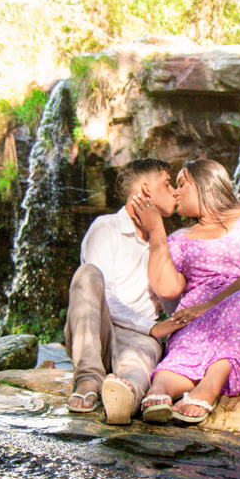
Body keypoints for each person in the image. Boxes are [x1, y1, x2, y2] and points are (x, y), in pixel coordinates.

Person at [129, 158, 240, 424]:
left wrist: (211, 305)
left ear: (206, 185)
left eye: (182, 184)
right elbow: (167, 288)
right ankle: (161, 388)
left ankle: (211, 384)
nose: (174, 192)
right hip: (201, 321)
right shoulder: (180, 238)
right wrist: (157, 231)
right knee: (184, 327)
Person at [64, 157, 180, 424]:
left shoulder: (167, 242)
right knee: (87, 274)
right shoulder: (106, 228)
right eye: (167, 183)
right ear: (146, 189)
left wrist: (158, 235)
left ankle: (124, 397)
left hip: (137, 340)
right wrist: (152, 327)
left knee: (137, 368)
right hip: (96, 331)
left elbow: (174, 304)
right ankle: (88, 379)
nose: (174, 191)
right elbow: (103, 297)